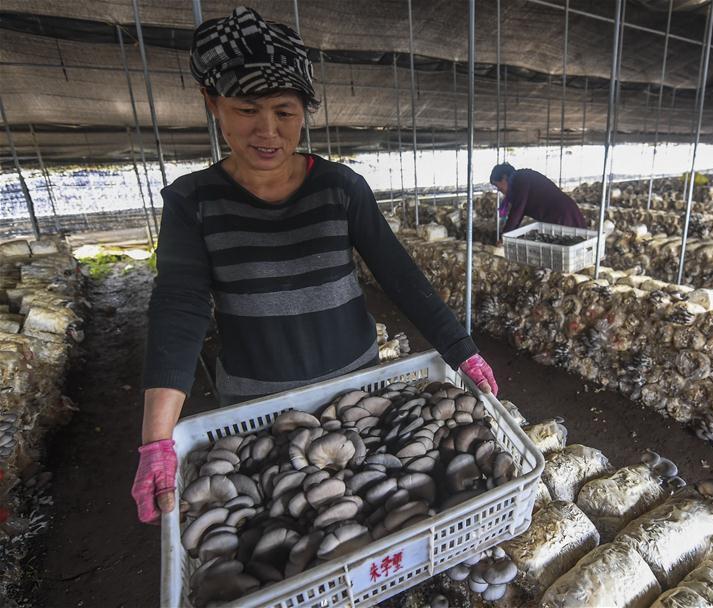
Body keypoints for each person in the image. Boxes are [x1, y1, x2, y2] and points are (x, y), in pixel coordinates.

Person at [131, 7, 498, 524]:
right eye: (246, 110)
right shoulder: (192, 201)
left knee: (364, 514)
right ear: (212, 102)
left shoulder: (340, 187)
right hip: (258, 407)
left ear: (304, 109)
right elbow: (179, 306)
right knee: (288, 518)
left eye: (284, 112)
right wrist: (156, 439)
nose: (267, 131)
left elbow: (398, 274)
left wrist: (462, 351)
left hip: (357, 393)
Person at [490, 163, 587, 236]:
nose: (498, 189)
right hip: (560, 213)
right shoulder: (519, 180)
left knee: (570, 243)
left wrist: (505, 236)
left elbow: (517, 211)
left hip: (562, 214)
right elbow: (518, 213)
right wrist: (508, 234)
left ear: (504, 178)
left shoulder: (520, 179)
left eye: (497, 185)